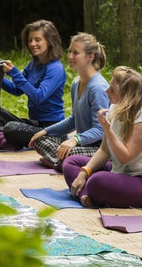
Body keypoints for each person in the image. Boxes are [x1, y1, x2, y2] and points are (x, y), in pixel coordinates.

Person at [61, 66, 142, 208]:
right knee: (71, 163)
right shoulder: (118, 105)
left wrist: (107, 129)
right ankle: (86, 196)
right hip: (122, 171)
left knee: (97, 181)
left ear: (127, 96)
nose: (107, 91)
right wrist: (85, 172)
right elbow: (104, 150)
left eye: (112, 90)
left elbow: (124, 157)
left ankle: (91, 193)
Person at [0, 19, 67, 150]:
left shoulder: (55, 69)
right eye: (30, 40)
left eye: (38, 40)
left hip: (52, 129)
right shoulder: (33, 65)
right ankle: (6, 142)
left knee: (11, 128)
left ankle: (6, 141)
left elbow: (39, 97)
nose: (32, 44)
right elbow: (17, 90)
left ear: (49, 41)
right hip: (36, 124)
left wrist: (14, 73)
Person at [28, 33, 109, 171]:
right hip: (82, 145)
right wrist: (45, 131)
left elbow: (101, 129)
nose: (70, 56)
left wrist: (75, 139)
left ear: (90, 56)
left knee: (68, 154)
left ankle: (61, 162)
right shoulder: (76, 83)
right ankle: (60, 162)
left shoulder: (98, 87)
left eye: (75, 53)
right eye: (70, 51)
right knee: (39, 140)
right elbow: (73, 120)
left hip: (100, 149)